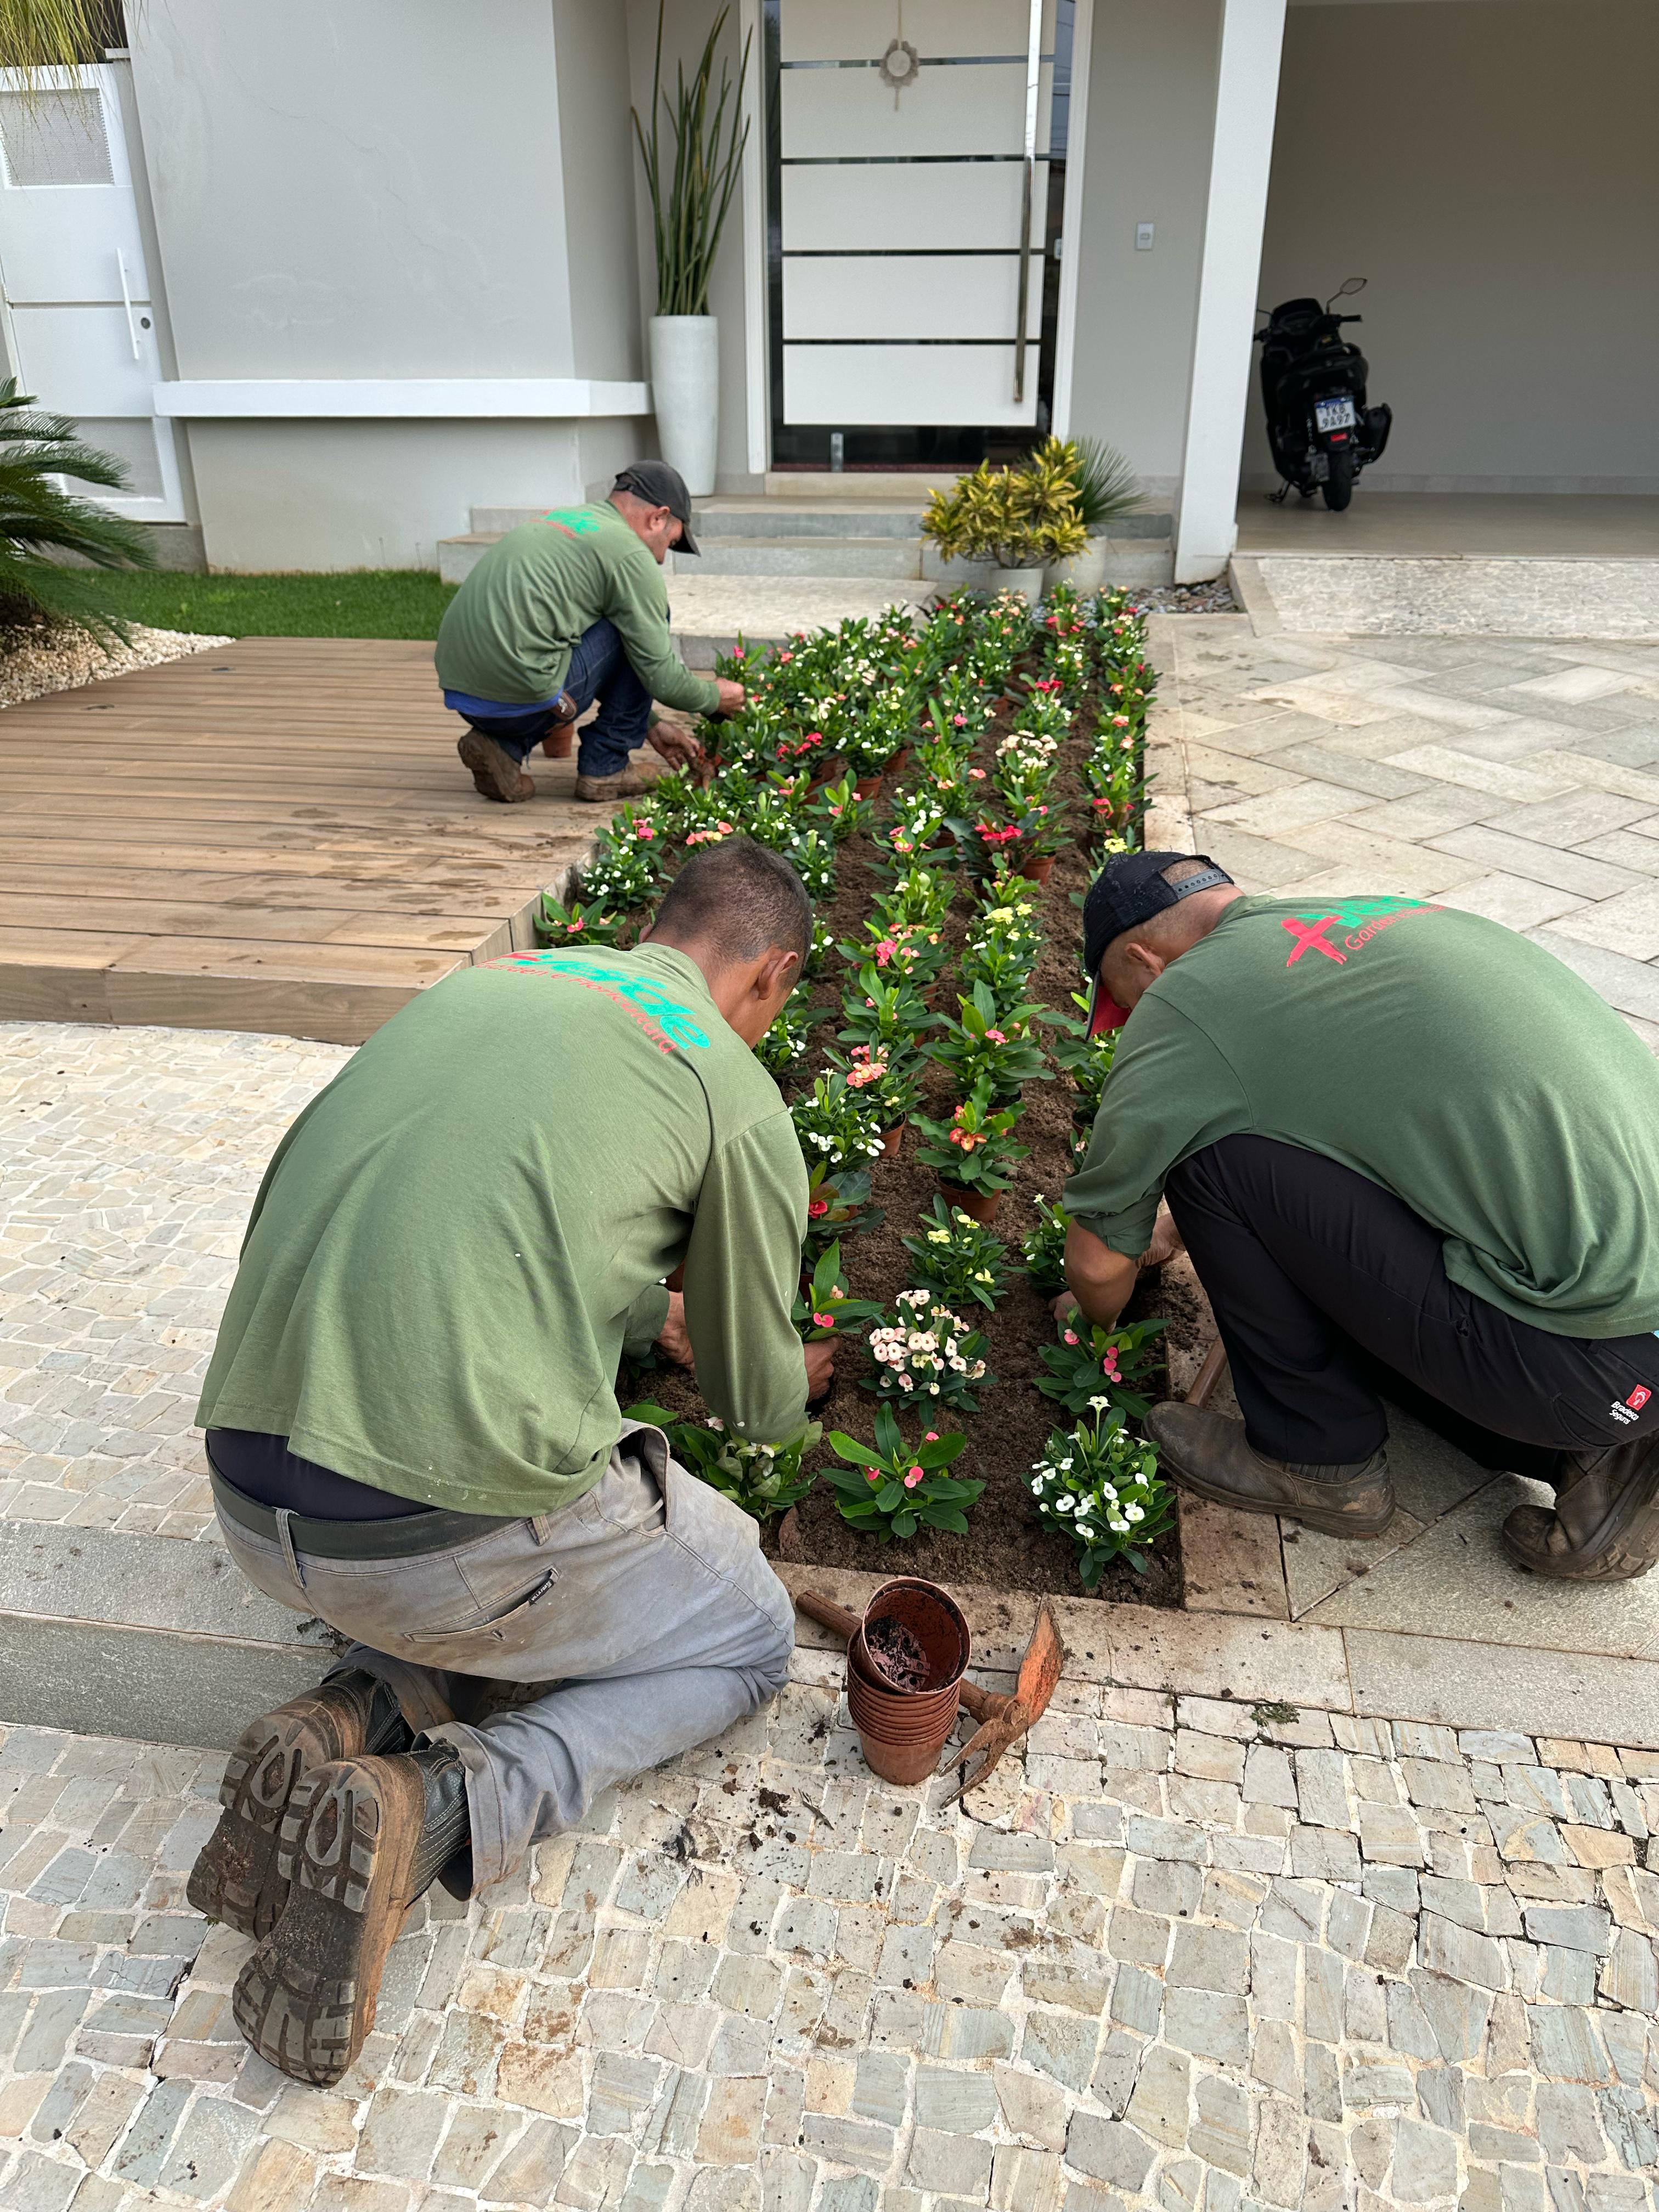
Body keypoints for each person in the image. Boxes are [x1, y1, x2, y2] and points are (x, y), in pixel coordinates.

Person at [187, 838, 831, 2087]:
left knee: (498, 1558)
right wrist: (798, 1379)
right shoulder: (727, 1084)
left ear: (657, 925)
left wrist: (639, 1312)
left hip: (251, 1498)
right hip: (436, 1542)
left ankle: (352, 1712)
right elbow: (755, 1402)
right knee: (743, 1629)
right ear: (770, 977)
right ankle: (444, 1808)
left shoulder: (488, 986)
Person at [1059, 849, 1659, 1584]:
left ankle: (1317, 1456)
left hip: (1586, 1364)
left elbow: (1095, 1263)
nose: (1132, 1027)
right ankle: (1610, 1457)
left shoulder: (1187, 996)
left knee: (1209, 1162)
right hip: (1627, 1335)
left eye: (1123, 1005)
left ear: (1145, 963)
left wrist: (1092, 1319)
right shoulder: (1369, 919)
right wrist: (1171, 1233)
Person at [434, 459, 746, 806]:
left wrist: (650, 723)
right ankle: (606, 767)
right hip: (522, 698)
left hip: (466, 695)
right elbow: (663, 679)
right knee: (641, 622)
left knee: (598, 631)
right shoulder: (630, 555)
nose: (661, 559)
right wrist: (715, 697)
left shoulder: (563, 519)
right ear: (658, 518)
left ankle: (502, 748)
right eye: (670, 543)